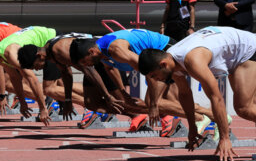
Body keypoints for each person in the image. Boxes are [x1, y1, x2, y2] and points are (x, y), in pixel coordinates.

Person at [138, 26, 256, 161]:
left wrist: (224, 138)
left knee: (244, 108)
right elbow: (185, 94)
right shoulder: (172, 60)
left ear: (163, 64)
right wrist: (192, 128)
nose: (155, 80)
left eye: (154, 75)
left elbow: (216, 98)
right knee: (251, 107)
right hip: (235, 54)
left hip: (249, 49)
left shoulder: (193, 61)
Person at [69, 29, 215, 136]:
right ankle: (205, 118)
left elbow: (148, 72)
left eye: (84, 62)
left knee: (156, 101)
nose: (86, 66)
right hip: (153, 61)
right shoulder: (102, 51)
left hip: (164, 53)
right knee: (143, 103)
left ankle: (206, 117)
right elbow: (111, 69)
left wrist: (153, 104)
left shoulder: (116, 49)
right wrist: (123, 93)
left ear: (91, 52)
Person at [17, 33, 147, 129]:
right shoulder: (51, 50)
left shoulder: (59, 50)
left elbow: (90, 70)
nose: (37, 69)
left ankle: (162, 113)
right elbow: (66, 73)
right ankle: (137, 115)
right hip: (93, 65)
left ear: (39, 56)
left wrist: (107, 96)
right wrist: (67, 100)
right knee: (91, 103)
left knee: (122, 101)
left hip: (102, 60)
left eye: (34, 66)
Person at [0, 26, 69, 126]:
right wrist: (22, 103)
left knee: (50, 88)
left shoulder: (10, 54)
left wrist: (42, 108)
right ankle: (65, 103)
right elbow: (15, 78)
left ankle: (82, 103)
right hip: (45, 41)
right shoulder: (0, 56)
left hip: (52, 39)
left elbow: (32, 79)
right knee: (55, 82)